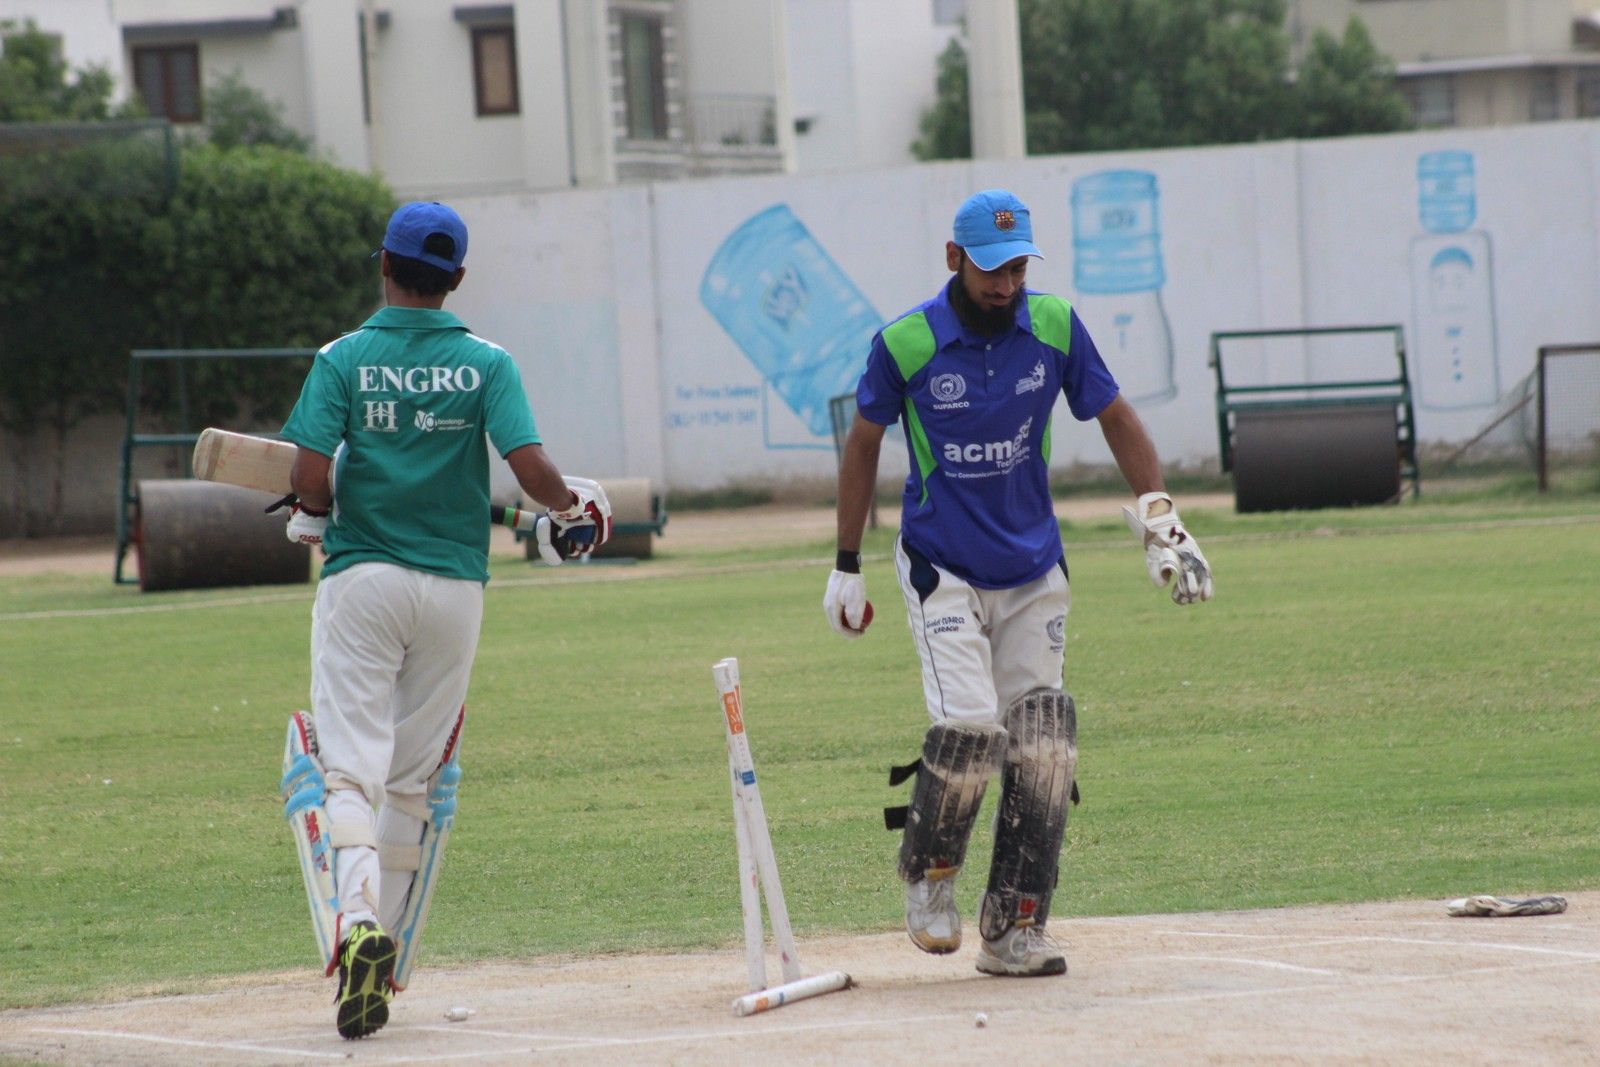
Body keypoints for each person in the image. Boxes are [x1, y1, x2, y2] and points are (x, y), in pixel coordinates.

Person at [824, 189, 1212, 978]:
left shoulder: (1056, 326)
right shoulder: (905, 342)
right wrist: (845, 563)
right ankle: (931, 873)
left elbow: (1115, 415)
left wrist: (1161, 518)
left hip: (1034, 565)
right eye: (991, 270)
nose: (1005, 286)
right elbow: (863, 442)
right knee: (971, 725)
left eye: (1017, 270)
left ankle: (1014, 926)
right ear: (954, 258)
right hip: (942, 565)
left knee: (1044, 745)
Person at [276, 200, 611, 1039]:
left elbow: (310, 470)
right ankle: (381, 942)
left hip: (363, 578)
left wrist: (312, 510)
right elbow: (530, 469)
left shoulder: (342, 357)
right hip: (456, 589)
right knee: (410, 782)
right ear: (457, 277)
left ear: (384, 264)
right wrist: (572, 509)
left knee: (349, 771)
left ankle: (358, 922)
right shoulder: (487, 362)